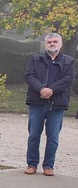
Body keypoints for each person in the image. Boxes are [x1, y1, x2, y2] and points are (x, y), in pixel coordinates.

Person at [23, 32, 75, 176]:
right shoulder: (36, 59)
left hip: (57, 104)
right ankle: (31, 164)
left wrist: (50, 90)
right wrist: (41, 89)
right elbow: (29, 76)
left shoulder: (69, 61)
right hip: (37, 102)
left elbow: (68, 79)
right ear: (45, 44)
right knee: (34, 135)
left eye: (55, 41)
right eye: (49, 42)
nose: (52, 44)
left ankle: (48, 166)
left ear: (61, 44)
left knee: (53, 137)